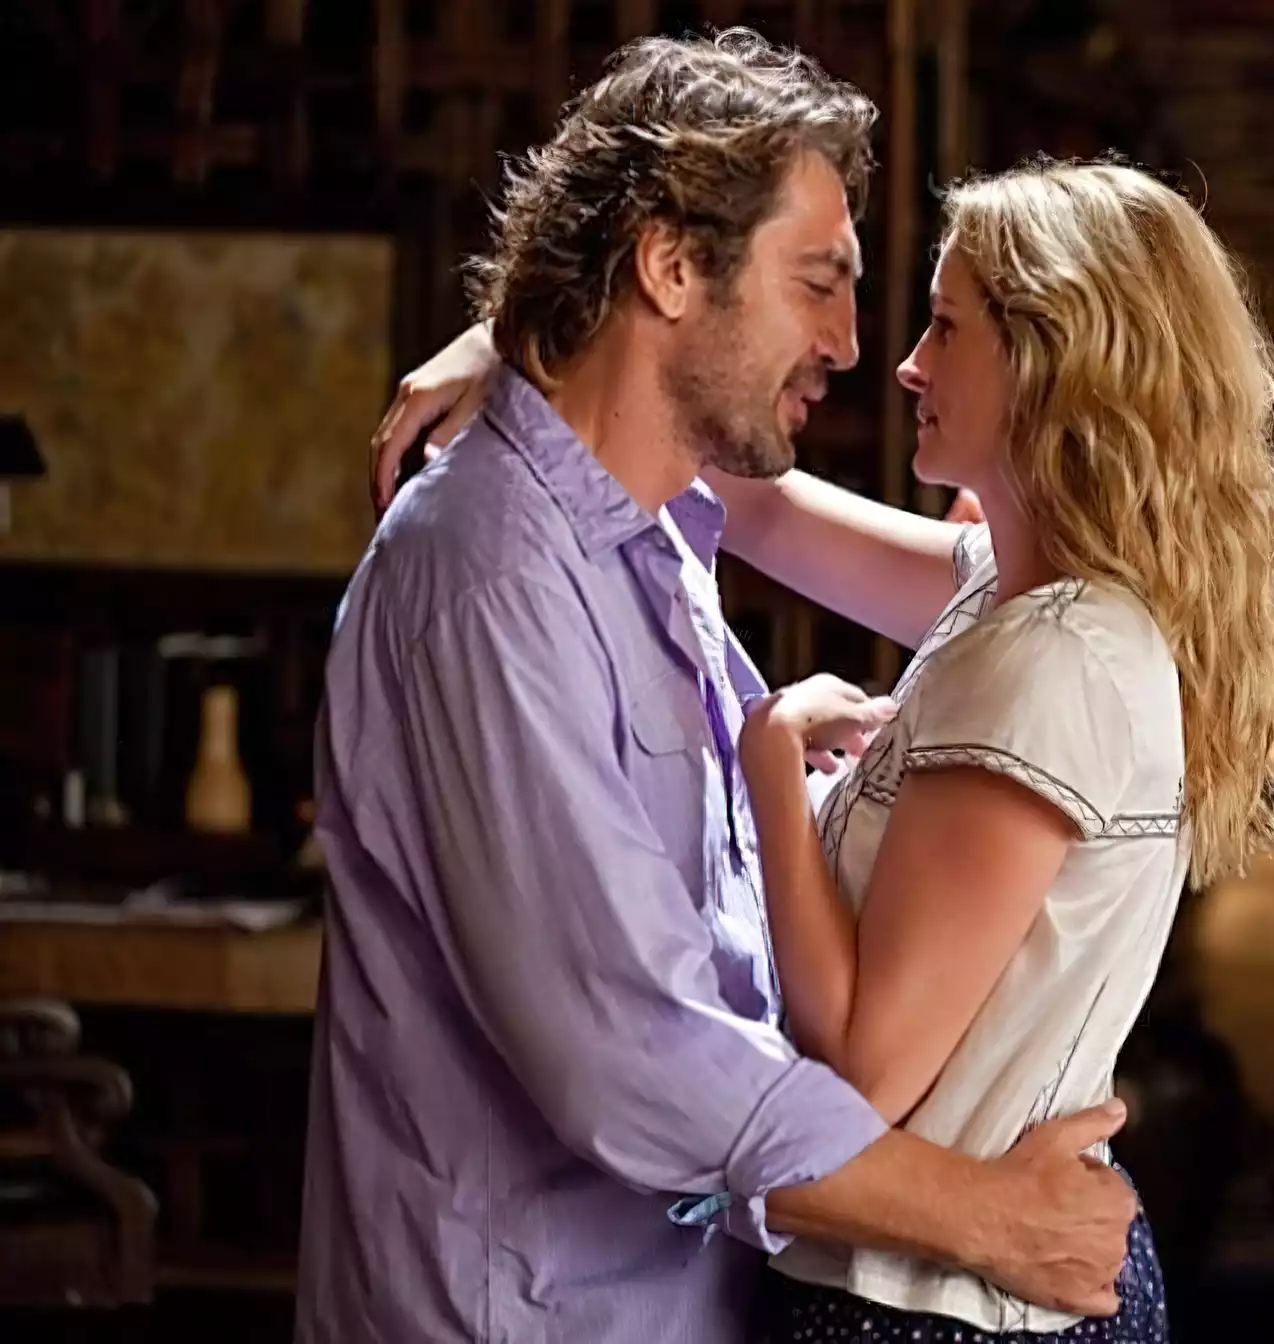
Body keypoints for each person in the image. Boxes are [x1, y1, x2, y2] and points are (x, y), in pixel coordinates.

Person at [374, 157, 1274, 1341]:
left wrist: (771, 766)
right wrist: (522, 346)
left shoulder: (1058, 657)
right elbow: (750, 496)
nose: (904, 362)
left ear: (1052, 362)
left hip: (940, 1314)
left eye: (947, 327)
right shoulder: (1008, 595)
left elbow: (867, 1067)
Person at [303, 31, 1137, 1344]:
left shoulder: (656, 531)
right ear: (673, 268)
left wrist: (518, 342)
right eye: (819, 284)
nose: (857, 346)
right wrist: (983, 1217)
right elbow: (628, 1051)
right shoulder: (488, 575)